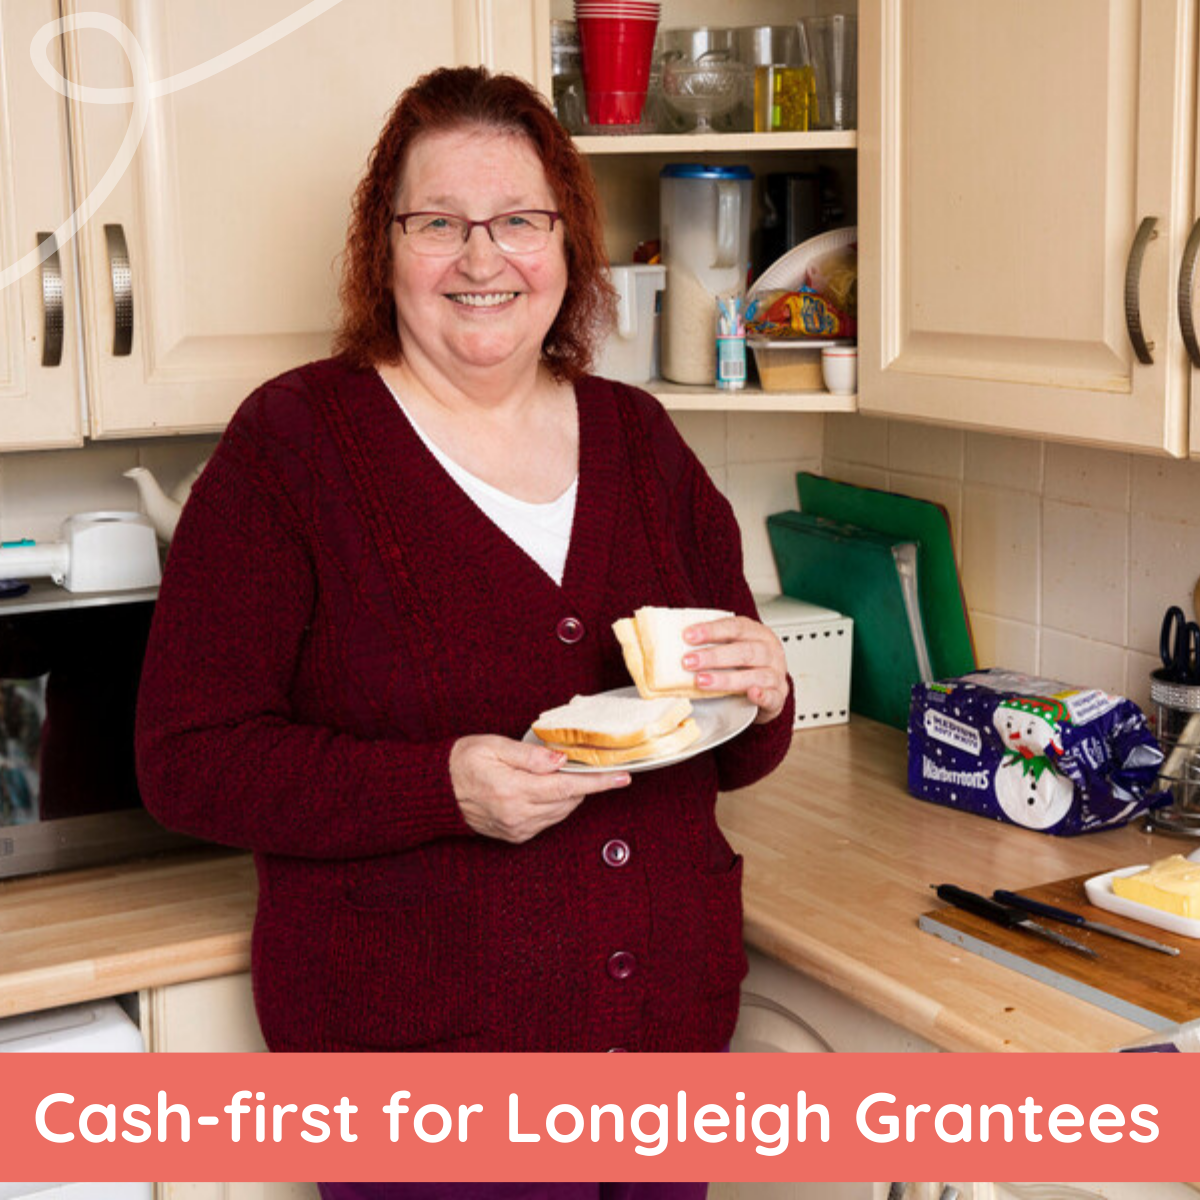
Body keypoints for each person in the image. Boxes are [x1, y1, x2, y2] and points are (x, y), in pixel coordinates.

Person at [135, 65, 793, 1199]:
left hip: (664, 1060)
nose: (482, 260)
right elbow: (185, 760)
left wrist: (762, 686)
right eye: (439, 223)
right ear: (382, 246)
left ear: (568, 241)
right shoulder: (292, 447)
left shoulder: (641, 440)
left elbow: (732, 749)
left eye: (520, 221)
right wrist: (440, 788)